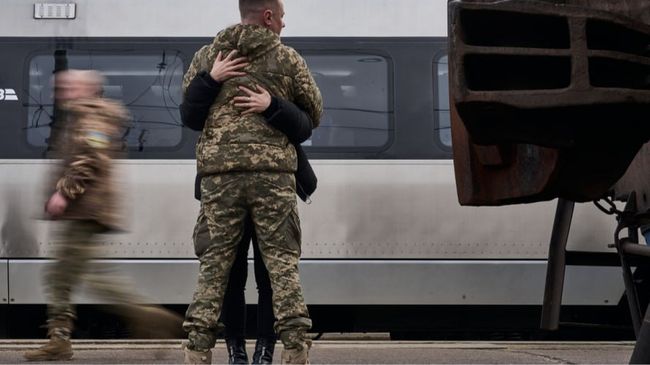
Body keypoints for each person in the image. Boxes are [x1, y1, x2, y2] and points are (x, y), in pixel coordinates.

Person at [181, 0, 322, 363]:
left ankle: (197, 352)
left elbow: (189, 116)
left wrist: (267, 101)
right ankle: (294, 349)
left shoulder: (208, 54)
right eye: (283, 18)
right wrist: (213, 81)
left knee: (215, 267)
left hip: (219, 179)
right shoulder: (287, 59)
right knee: (281, 265)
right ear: (268, 16)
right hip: (272, 179)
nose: (284, 25)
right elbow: (314, 116)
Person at [24, 70, 182, 362]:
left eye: (69, 86)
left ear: (89, 89)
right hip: (81, 212)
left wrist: (64, 193)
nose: (61, 91)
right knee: (63, 276)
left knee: (85, 279)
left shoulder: (93, 116)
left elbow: (90, 158)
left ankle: (152, 317)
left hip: (85, 210)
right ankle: (59, 339)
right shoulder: (80, 115)